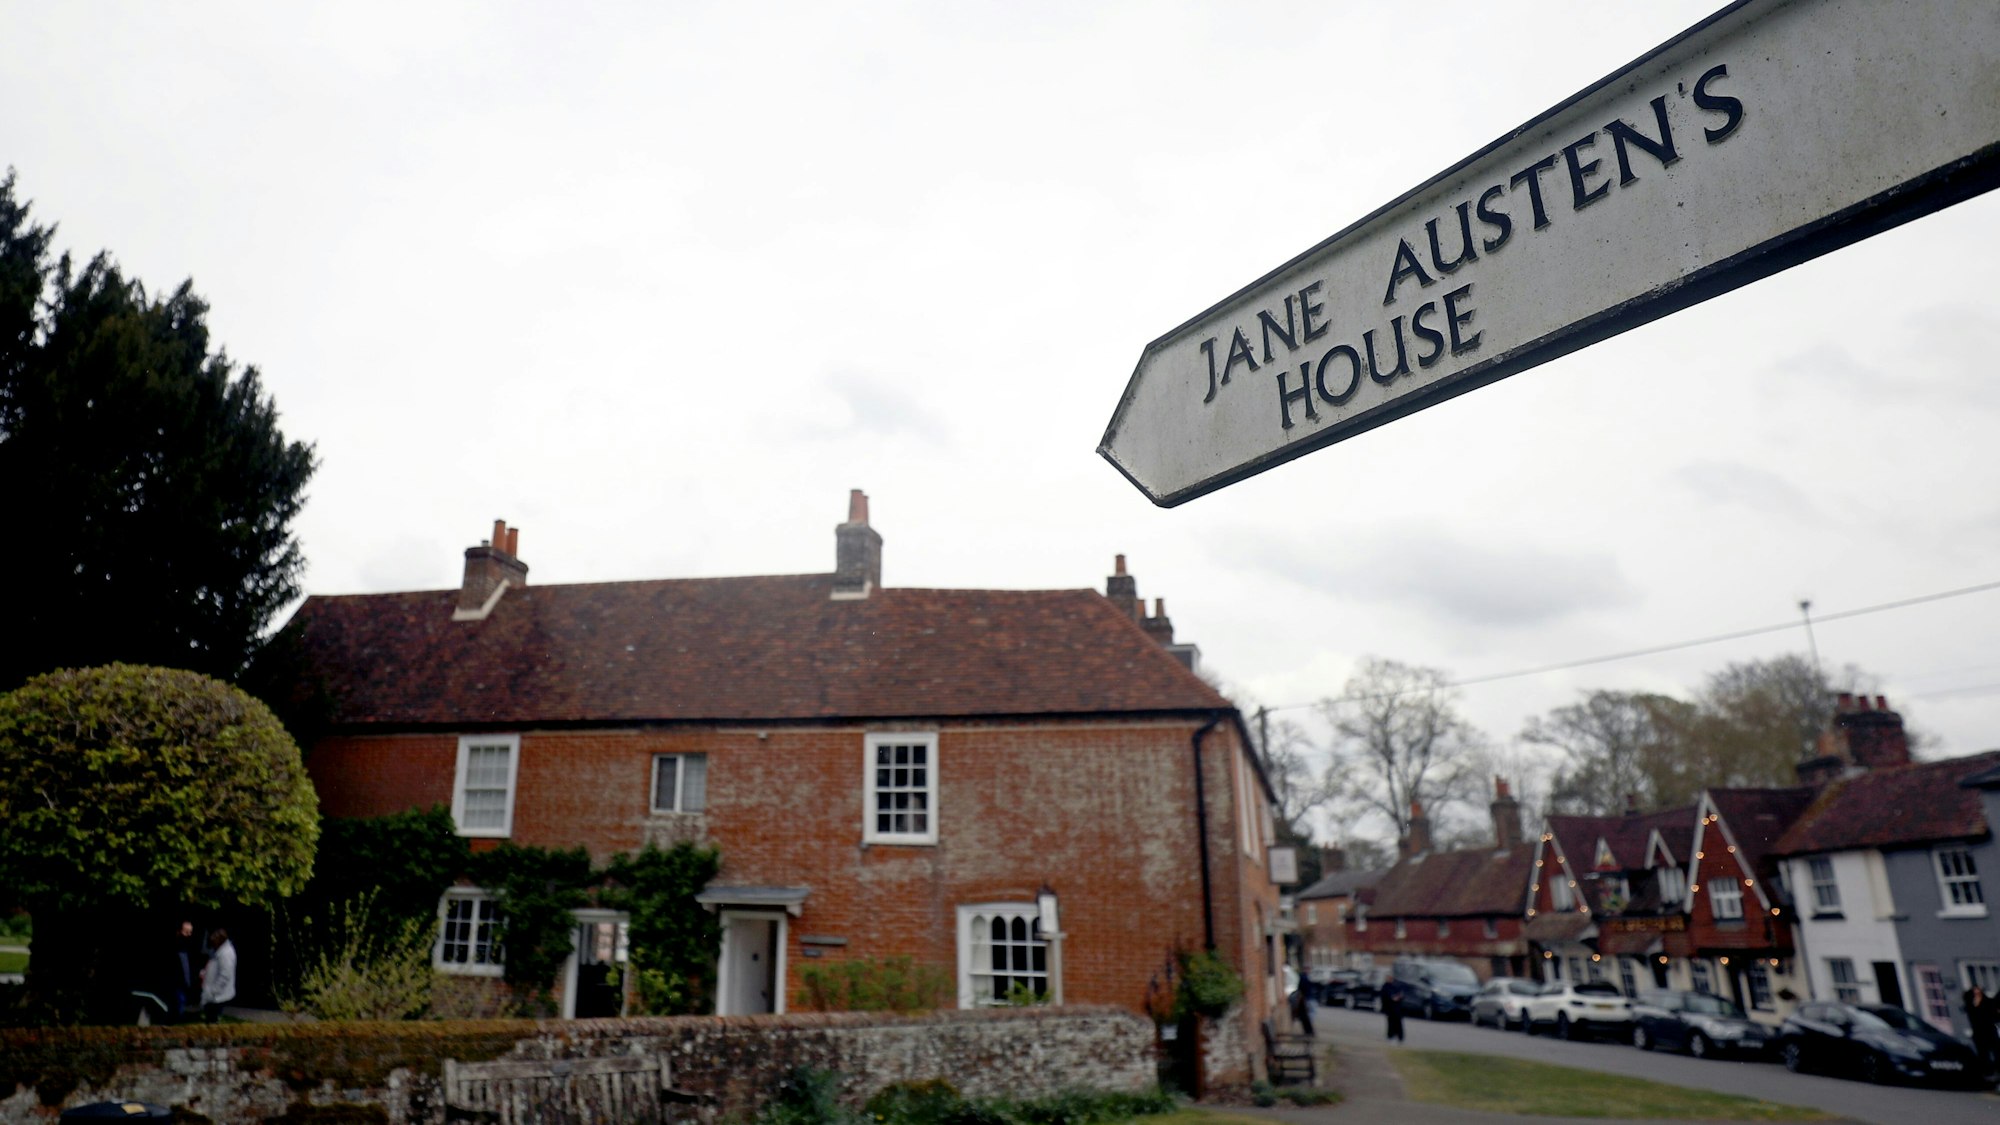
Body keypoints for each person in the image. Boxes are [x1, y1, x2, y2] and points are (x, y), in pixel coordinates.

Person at [199, 927, 236, 1023]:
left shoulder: (226, 954)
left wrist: (213, 991)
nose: (213, 944)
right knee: (210, 1020)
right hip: (214, 995)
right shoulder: (221, 951)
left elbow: (225, 975)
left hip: (217, 996)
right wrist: (205, 973)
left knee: (212, 1021)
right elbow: (215, 968)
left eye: (214, 940)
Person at [1966, 985, 1999, 1080]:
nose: (1977, 994)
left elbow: (1994, 1015)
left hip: (1989, 1031)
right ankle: (1987, 1072)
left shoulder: (1988, 1002)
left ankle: (1997, 1071)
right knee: (1983, 1054)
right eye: (1975, 992)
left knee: (1996, 1052)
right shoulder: (1970, 1003)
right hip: (1978, 1032)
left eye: (1978, 992)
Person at [1381, 975, 1406, 1042]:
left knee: (1398, 1023)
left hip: (1397, 1009)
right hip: (1389, 1009)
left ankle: (1399, 1037)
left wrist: (1398, 997)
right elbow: (1385, 997)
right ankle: (1390, 1036)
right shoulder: (1385, 986)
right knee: (1390, 1023)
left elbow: (1401, 995)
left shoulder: (1396, 985)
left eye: (1390, 978)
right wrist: (1392, 998)